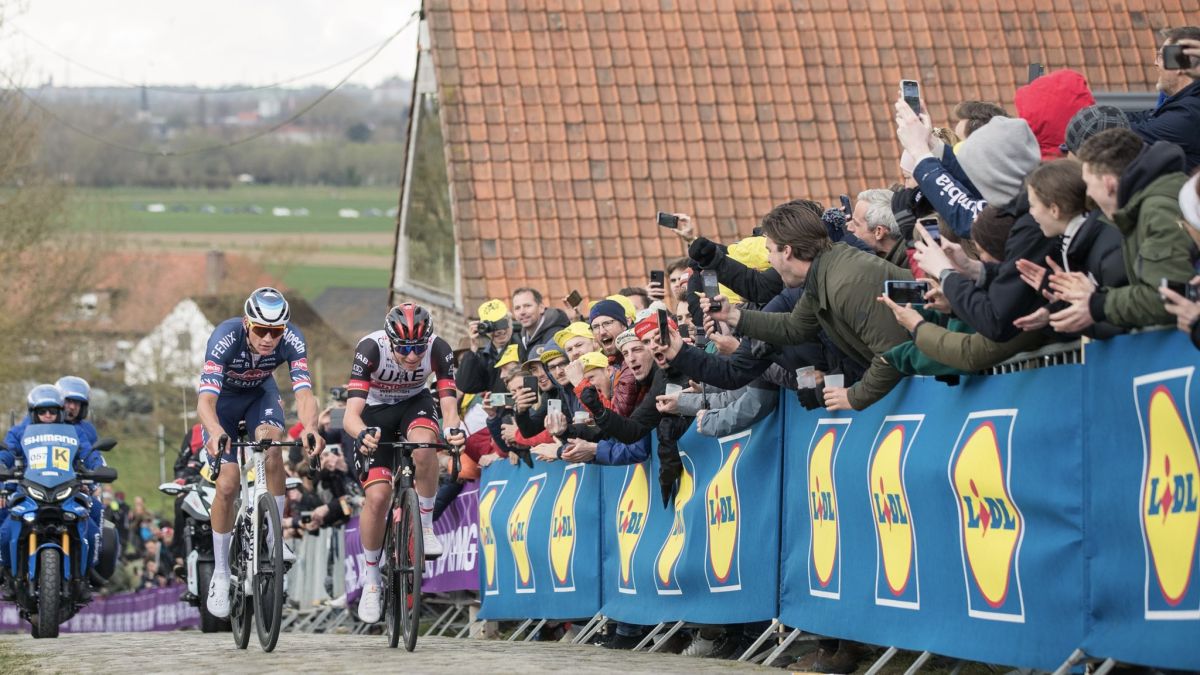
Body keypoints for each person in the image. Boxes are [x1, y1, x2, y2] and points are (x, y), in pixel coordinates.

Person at [707, 200, 913, 411]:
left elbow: (892, 353)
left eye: (770, 251)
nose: (769, 260)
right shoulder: (824, 272)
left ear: (786, 251)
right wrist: (732, 315)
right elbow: (794, 326)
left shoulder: (845, 283)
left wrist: (853, 397)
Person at [195, 287, 324, 620]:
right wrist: (215, 432)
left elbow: (305, 393)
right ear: (246, 323)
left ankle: (273, 537)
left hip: (259, 398)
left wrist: (310, 427)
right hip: (222, 404)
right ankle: (221, 575)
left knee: (273, 448)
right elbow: (205, 401)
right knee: (227, 484)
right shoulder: (225, 337)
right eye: (261, 330)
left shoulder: (293, 339)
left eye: (275, 331)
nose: (269, 339)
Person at [341, 303, 467, 624]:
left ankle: (425, 525)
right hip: (374, 413)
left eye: (418, 348)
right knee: (378, 497)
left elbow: (449, 405)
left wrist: (454, 428)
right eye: (405, 348)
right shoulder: (371, 349)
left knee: (425, 447)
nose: (412, 356)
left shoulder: (438, 348)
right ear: (390, 340)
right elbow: (350, 416)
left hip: (414, 403)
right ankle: (371, 580)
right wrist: (362, 434)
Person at [1049, 129, 1194, 333]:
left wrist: (1098, 304)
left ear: (1109, 184)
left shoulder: (1157, 211)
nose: (1088, 194)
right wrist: (1094, 295)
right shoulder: (1139, 209)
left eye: (1089, 185)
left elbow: (1167, 297)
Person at [1, 385, 104, 599]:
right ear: (33, 412)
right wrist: (2, 464)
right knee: (5, 532)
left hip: (66, 491)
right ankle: (9, 577)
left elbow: (89, 453)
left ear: (60, 412)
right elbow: (7, 451)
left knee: (91, 531)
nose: (47, 415)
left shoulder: (74, 432)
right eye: (42, 411)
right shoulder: (20, 431)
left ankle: (83, 579)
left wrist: (97, 469)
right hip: (30, 492)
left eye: (52, 411)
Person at [1127, 27, 1200, 171]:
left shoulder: (1189, 112)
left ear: (1179, 64)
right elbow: (1146, 117)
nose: (1155, 63)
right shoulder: (1185, 104)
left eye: (1161, 56)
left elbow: (1129, 137)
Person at [511, 287, 570, 359]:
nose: (522, 312)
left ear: (541, 308)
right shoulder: (520, 339)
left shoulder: (557, 335)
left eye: (527, 306)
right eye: (517, 308)